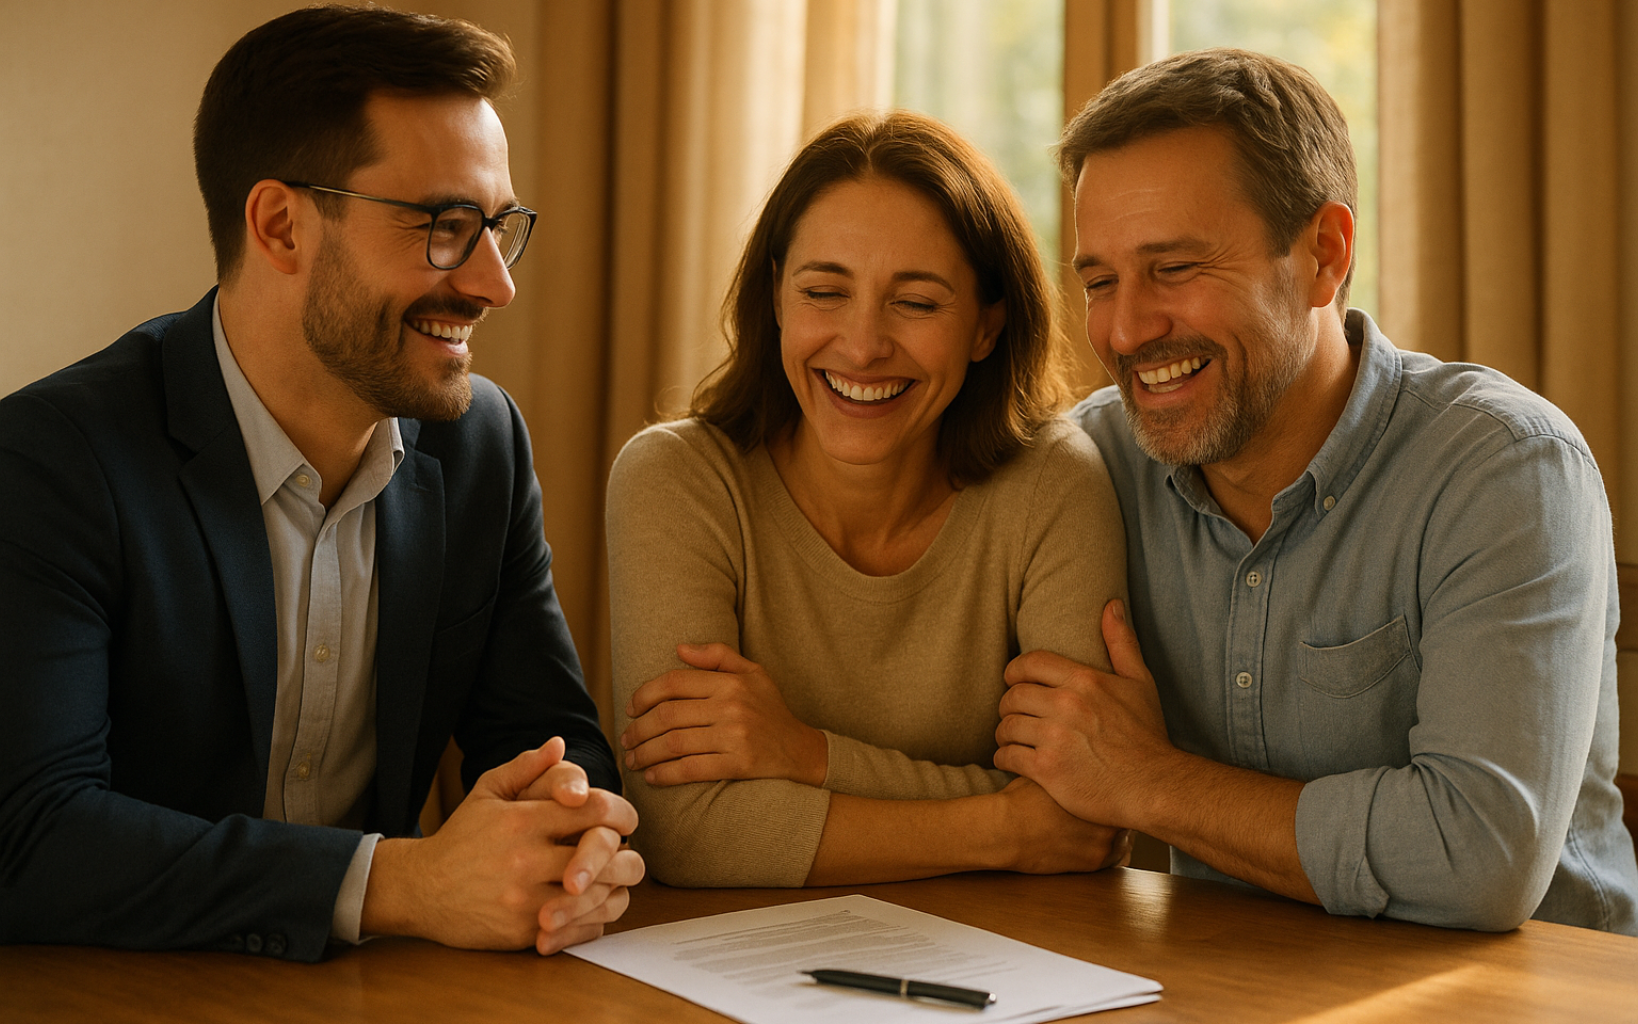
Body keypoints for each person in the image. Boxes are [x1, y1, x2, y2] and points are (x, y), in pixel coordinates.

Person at [0, 6, 643, 961]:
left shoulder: (479, 446)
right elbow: (31, 841)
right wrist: (400, 882)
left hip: (376, 995)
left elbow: (551, 741)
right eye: (443, 226)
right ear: (280, 224)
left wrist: (569, 841)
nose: (495, 283)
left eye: (500, 226)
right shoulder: (51, 461)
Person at [996, 47, 1638, 934]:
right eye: (1101, 281)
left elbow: (1479, 858)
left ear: (1325, 256)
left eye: (1175, 268)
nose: (1127, 328)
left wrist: (1149, 782)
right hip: (1230, 984)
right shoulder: (1091, 464)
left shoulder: (1507, 468)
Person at [606, 111, 1129, 887]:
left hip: (1007, 967)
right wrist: (1006, 827)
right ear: (777, 295)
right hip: (734, 968)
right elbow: (686, 832)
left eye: (915, 303)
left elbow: (1084, 815)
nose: (861, 345)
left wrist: (803, 754)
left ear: (986, 325)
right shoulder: (677, 480)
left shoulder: (1052, 482)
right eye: (824, 291)